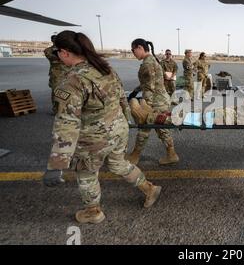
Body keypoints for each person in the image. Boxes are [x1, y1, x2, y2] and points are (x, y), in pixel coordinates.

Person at [42, 31, 161, 224]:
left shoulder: (72, 80)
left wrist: (57, 164)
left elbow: (67, 123)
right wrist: (127, 120)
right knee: (118, 164)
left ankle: (93, 212)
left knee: (87, 172)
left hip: (94, 138)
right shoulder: (105, 68)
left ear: (64, 52)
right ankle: (149, 188)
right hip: (118, 129)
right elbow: (123, 97)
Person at [126, 39, 179, 165]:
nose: (133, 53)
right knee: (161, 127)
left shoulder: (148, 63)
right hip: (161, 99)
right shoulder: (151, 61)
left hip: (156, 101)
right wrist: (136, 90)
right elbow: (149, 82)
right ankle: (171, 154)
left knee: (145, 126)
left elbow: (150, 87)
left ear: (140, 47)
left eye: (133, 50)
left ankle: (135, 156)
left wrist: (146, 106)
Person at [44, 35, 69, 114]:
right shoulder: (48, 50)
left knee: (69, 91)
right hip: (56, 74)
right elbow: (55, 58)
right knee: (56, 91)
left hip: (67, 73)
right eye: (54, 39)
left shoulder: (65, 49)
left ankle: (67, 108)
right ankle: (56, 109)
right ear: (52, 40)